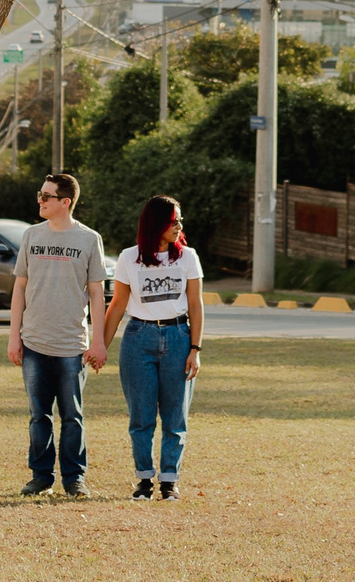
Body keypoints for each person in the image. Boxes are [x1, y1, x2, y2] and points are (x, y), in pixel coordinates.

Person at [7, 170, 108, 497]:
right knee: (39, 416)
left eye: (46, 196)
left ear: (65, 202)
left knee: (72, 416)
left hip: (71, 346)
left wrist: (98, 341)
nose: (40, 200)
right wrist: (14, 336)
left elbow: (97, 294)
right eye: (40, 194)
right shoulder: (31, 236)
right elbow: (19, 287)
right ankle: (41, 477)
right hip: (34, 343)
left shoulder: (89, 239)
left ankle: (74, 479)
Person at [97, 192, 204, 501]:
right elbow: (117, 305)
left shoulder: (188, 257)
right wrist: (100, 346)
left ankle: (169, 481)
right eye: (173, 221)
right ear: (156, 223)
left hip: (178, 337)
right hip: (138, 338)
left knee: (175, 417)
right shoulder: (129, 258)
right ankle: (144, 480)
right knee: (141, 417)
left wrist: (195, 349)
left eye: (180, 220)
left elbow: (196, 305)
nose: (179, 226)